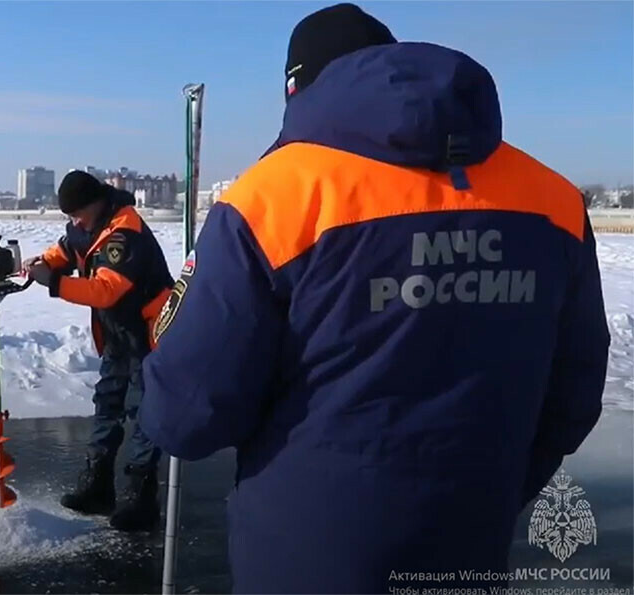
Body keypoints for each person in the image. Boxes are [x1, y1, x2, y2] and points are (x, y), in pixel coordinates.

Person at [139, 4, 610, 593]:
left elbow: (186, 416)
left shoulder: (274, 197)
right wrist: (492, 489)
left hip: (305, 555)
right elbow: (573, 393)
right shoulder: (552, 199)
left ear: (296, 88)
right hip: (471, 545)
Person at [26, 170, 173, 532]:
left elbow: (106, 290)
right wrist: (41, 263)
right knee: (107, 400)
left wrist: (57, 283)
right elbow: (66, 248)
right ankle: (98, 485)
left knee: (142, 410)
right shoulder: (87, 224)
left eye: (76, 213)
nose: (73, 221)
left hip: (148, 334)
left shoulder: (125, 232)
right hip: (118, 332)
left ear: (95, 204)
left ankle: (141, 497)